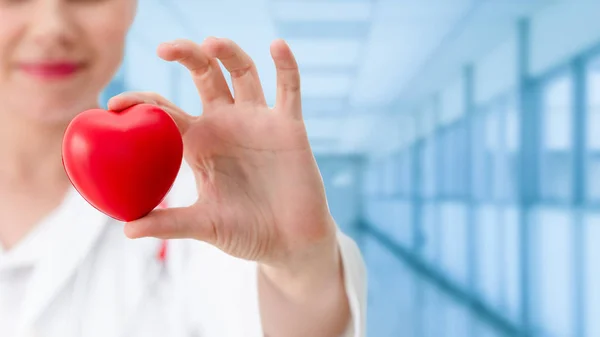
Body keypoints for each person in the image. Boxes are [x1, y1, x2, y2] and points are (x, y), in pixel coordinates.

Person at [0, 0, 367, 336]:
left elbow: (287, 318)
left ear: (130, 8)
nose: (51, 27)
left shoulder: (208, 201)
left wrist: (299, 266)